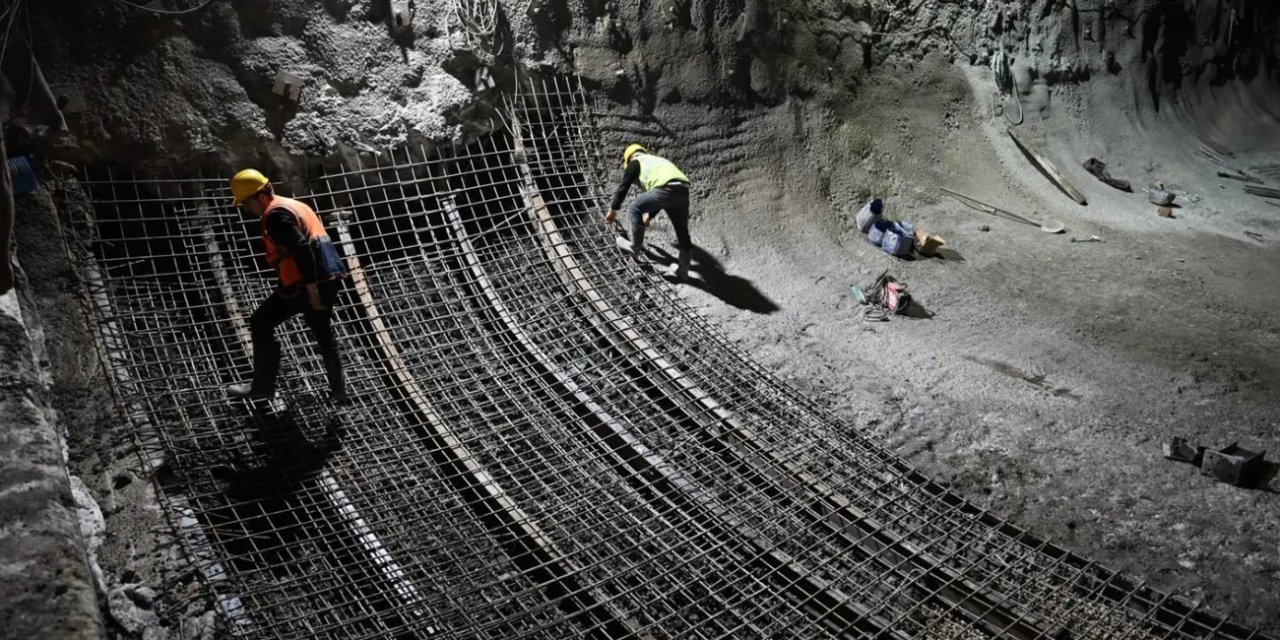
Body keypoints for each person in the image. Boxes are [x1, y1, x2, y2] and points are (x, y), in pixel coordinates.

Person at [227, 169, 349, 403]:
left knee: (261, 322)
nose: (246, 209)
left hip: (307, 283)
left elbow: (302, 248)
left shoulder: (275, 216)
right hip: (330, 276)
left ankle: (262, 387)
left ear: (261, 197)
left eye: (246, 203)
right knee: (323, 332)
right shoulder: (294, 205)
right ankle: (338, 391)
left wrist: (311, 291)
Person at [604, 144, 693, 282]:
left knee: (634, 208)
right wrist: (649, 216)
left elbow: (623, 188)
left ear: (629, 158)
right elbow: (660, 196)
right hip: (683, 191)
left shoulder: (635, 162)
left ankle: (635, 247)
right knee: (682, 231)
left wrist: (613, 210)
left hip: (665, 189)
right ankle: (683, 271)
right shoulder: (656, 161)